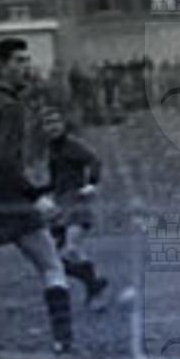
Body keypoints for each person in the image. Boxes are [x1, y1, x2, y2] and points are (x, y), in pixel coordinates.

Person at [0, 38, 76, 355]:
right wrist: (33, 194)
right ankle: (63, 340)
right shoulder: (10, 107)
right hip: (7, 198)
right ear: (2, 65)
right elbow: (6, 160)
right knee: (51, 265)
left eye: (27, 60)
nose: (26, 67)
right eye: (19, 61)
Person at [39, 104, 111, 309]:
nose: (53, 127)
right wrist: (37, 191)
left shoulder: (72, 146)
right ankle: (93, 283)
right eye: (48, 123)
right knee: (52, 257)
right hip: (60, 206)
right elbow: (56, 181)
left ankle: (94, 286)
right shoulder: (53, 149)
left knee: (70, 250)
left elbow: (94, 161)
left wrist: (92, 184)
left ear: (63, 124)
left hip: (76, 204)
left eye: (56, 122)